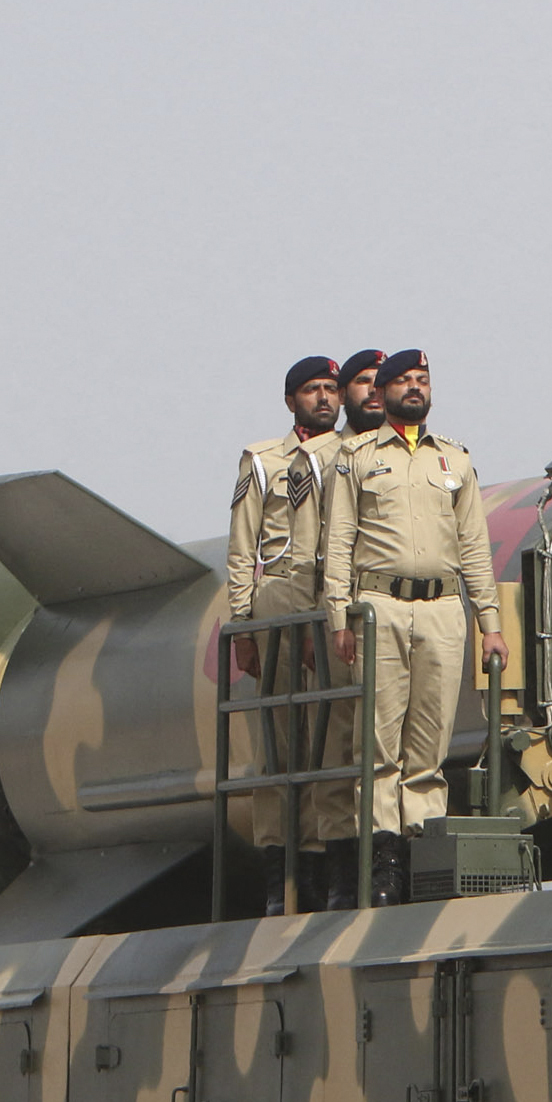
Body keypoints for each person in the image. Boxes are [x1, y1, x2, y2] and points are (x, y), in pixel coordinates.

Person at [320, 350, 506, 904]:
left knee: (428, 746)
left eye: (423, 380)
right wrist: (339, 616)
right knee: (378, 744)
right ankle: (384, 868)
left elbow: (474, 545)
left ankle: (420, 858)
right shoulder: (356, 456)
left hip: (444, 611)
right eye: (404, 380)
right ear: (386, 390)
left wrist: (489, 622)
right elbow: (338, 543)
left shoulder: (455, 460)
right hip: (380, 605)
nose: (415, 388)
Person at [224, 356, 346, 913]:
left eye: (331, 389)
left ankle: (320, 864)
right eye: (312, 390)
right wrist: (244, 625)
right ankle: (280, 873)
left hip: (331, 599)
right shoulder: (262, 460)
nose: (324, 399)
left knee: (328, 737)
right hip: (276, 595)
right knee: (277, 742)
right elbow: (241, 548)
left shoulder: (354, 456)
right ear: (291, 400)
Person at [337, 347, 389, 436]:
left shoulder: (413, 448)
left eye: (381, 382)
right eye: (364, 381)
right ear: (342, 395)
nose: (374, 390)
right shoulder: (316, 450)